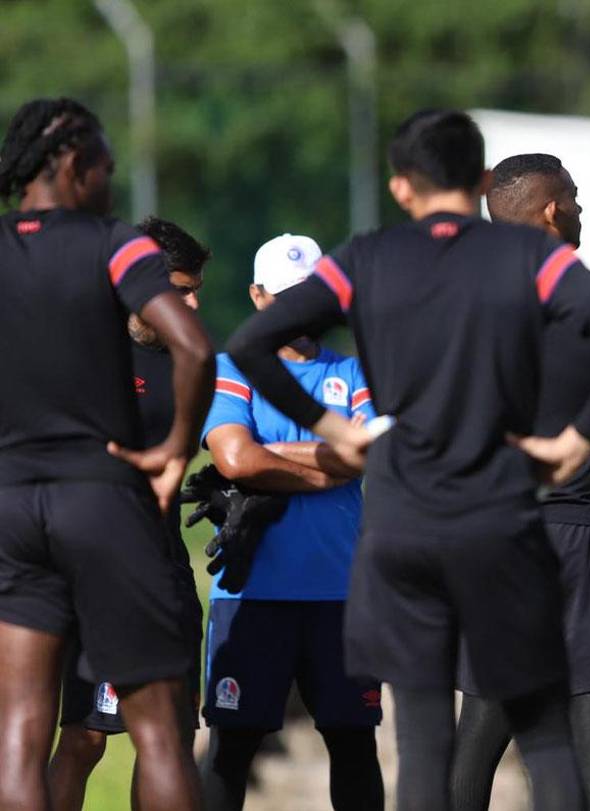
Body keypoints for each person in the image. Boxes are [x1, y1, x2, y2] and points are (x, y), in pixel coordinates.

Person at [224, 109, 590, 811]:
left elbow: (250, 342)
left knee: (428, 738)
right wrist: (574, 436)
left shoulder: (369, 257)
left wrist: (341, 429)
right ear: (481, 176)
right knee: (548, 736)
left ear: (401, 187)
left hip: (403, 523)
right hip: (497, 518)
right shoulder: (528, 260)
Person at [0, 97, 213, 811]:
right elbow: (193, 345)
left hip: (12, 505)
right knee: (161, 730)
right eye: (104, 166)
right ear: (71, 163)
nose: (111, 181)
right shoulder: (112, 242)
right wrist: (177, 448)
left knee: (22, 729)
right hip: (97, 496)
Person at [451, 153, 590, 811]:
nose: (580, 208)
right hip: (586, 534)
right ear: (551, 210)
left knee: (480, 731)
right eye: (573, 197)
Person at [196, 233, 384, 811]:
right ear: (257, 297)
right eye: (286, 297)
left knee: (354, 747)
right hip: (252, 594)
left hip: (343, 594)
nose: (300, 313)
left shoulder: (356, 370)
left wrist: (268, 459)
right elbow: (232, 459)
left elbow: (368, 455)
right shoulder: (229, 368)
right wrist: (329, 463)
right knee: (232, 748)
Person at [48, 216, 212, 811]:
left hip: (165, 571)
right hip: (90, 572)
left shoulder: (194, 359)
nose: (191, 302)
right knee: (85, 737)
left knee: (169, 741)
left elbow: (223, 442)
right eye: (179, 287)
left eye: (196, 290)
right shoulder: (85, 353)